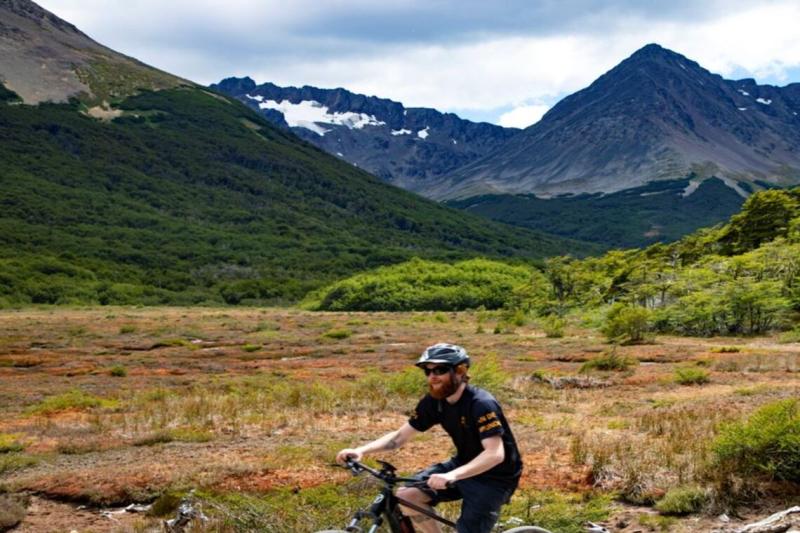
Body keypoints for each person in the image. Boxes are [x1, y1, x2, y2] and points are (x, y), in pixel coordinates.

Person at [336, 343, 523, 533]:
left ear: (460, 371)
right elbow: (399, 437)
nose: (432, 376)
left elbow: (494, 454)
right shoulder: (434, 402)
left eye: (440, 370)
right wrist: (361, 450)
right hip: (462, 464)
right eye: (427, 370)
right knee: (407, 496)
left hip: (494, 477)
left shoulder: (481, 404)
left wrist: (451, 475)